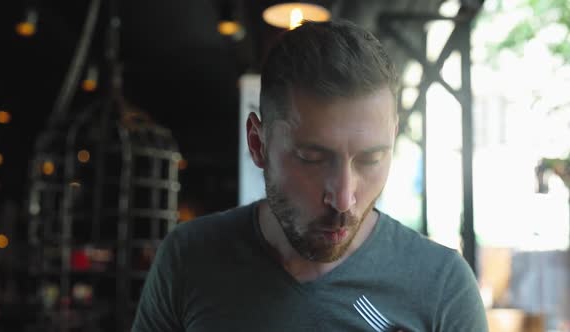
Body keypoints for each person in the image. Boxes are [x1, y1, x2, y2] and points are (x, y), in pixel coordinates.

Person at [132, 19, 488, 331]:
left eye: (371, 159)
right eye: (312, 158)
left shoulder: (442, 286)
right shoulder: (189, 259)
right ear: (258, 144)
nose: (344, 198)